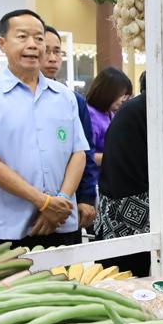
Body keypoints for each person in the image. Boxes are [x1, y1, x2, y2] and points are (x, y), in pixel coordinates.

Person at [0, 9, 90, 248]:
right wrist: (44, 203)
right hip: (11, 229)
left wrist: (60, 201)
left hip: (63, 221)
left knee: (72, 274)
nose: (33, 45)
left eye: (39, 38)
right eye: (22, 37)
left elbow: (78, 153)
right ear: (2, 44)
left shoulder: (65, 96)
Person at [42, 25, 98, 229]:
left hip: (66, 204)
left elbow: (85, 151)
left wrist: (86, 197)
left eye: (57, 51)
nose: (52, 58)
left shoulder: (73, 100)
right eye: (46, 50)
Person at [95, 72, 150, 277]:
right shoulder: (142, 109)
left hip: (121, 216)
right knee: (123, 281)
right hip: (128, 222)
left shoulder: (134, 109)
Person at [86, 66, 133, 167]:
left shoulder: (110, 113)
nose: (123, 100)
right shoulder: (90, 116)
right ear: (108, 92)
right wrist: (118, 157)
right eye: (121, 95)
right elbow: (87, 156)